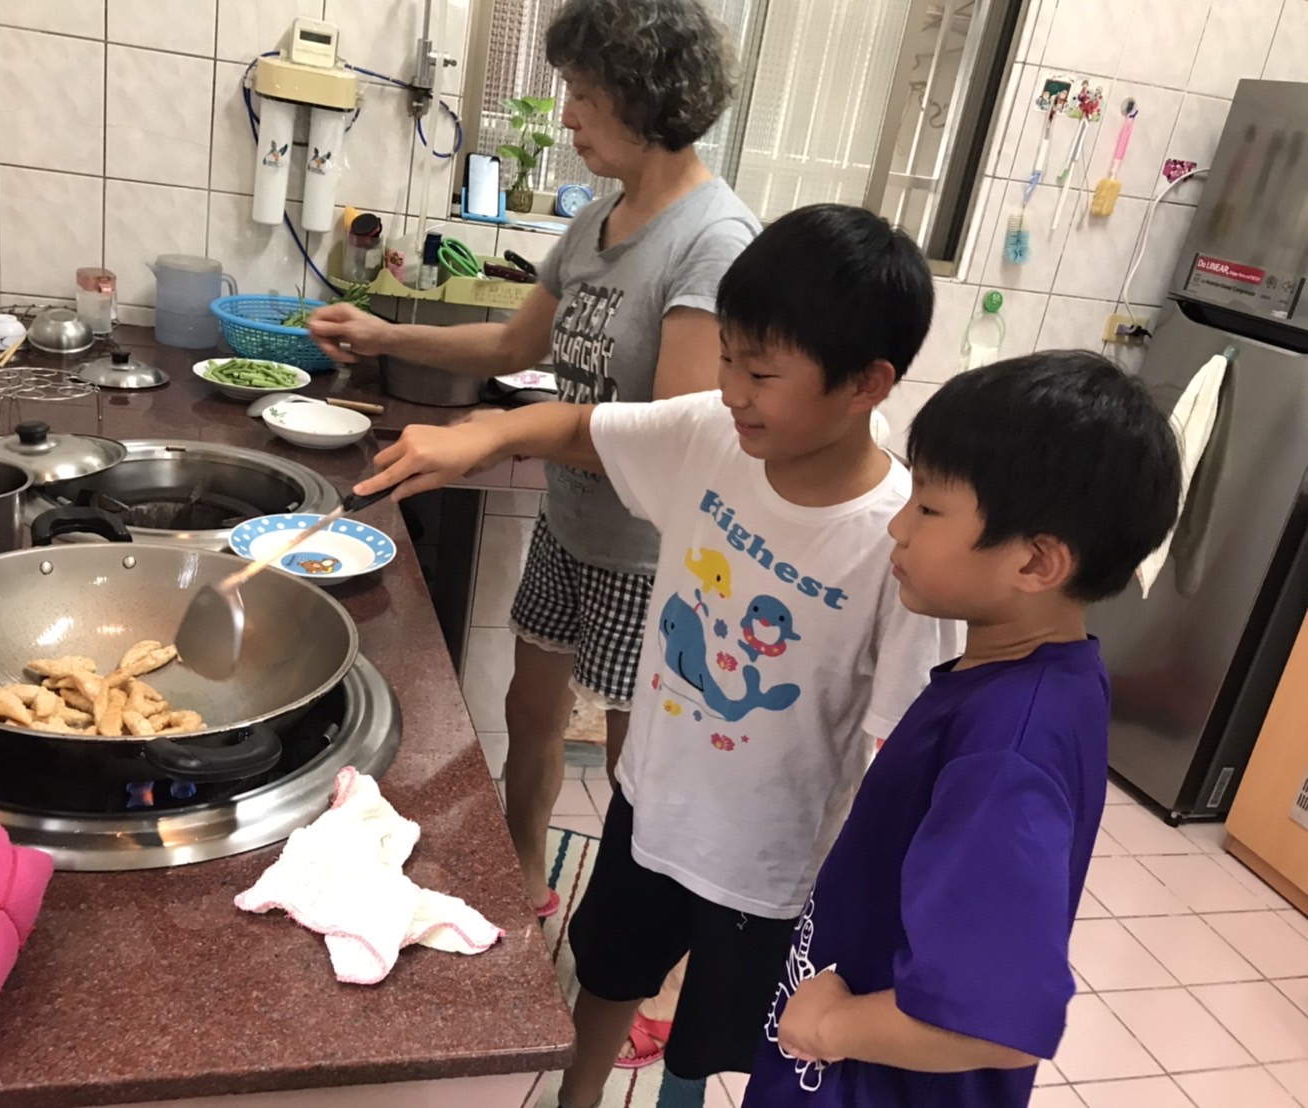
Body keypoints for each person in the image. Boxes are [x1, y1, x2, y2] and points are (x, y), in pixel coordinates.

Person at [349, 204, 962, 1108]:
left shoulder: (898, 541)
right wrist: (486, 432)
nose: (732, 389)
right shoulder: (714, 434)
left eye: (761, 372)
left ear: (866, 384)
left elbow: (901, 755)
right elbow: (582, 430)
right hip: (651, 803)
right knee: (604, 972)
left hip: (769, 866)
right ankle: (576, 1099)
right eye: (727, 358)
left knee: (714, 1041)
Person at [310, 0, 760, 948]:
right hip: (571, 523)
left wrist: (502, 436)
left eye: (585, 94)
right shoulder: (598, 220)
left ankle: (643, 956)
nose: (568, 116)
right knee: (530, 707)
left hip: (652, 558)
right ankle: (523, 878)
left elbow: (667, 437)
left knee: (642, 769)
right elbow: (517, 343)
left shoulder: (713, 242)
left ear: (645, 96)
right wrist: (386, 333)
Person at [745, 351, 1182, 1107]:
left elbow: (999, 1023)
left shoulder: (1008, 748)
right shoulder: (1044, 674)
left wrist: (833, 1027)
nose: (898, 526)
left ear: (1036, 562)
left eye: (928, 508)